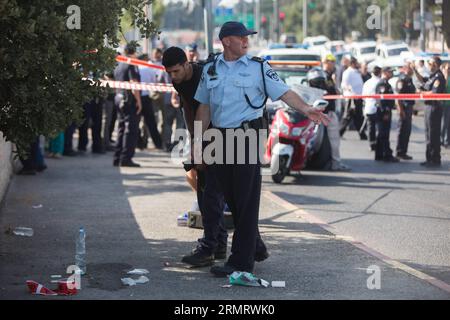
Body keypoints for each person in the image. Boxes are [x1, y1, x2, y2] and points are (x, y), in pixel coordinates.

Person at [194, 21, 329, 277]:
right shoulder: (210, 68)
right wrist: (199, 143)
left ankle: (241, 262)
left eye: (247, 37)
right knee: (231, 199)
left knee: (246, 200)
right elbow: (203, 107)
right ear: (226, 41)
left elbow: (284, 93)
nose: (246, 41)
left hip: (246, 138)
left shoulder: (259, 67)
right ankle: (254, 245)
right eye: (241, 37)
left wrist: (306, 109)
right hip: (220, 139)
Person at [162, 46, 229, 267]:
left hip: (223, 132)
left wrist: (200, 147)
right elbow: (189, 110)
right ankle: (217, 243)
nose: (173, 77)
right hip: (203, 133)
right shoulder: (178, 81)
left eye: (175, 71)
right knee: (205, 190)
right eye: (169, 73)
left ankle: (210, 246)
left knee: (211, 193)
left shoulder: (203, 75)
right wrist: (193, 140)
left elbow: (204, 110)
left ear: (186, 64)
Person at [310, 54, 350, 171]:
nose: (332, 63)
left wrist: (334, 80)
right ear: (325, 62)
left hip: (328, 112)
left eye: (333, 61)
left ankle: (335, 163)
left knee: (334, 139)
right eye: (330, 61)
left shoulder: (329, 77)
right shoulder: (319, 76)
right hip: (321, 112)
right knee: (317, 139)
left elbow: (336, 92)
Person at [412, 56, 446, 167]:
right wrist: (415, 71)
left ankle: (435, 158)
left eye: (430, 63)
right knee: (428, 133)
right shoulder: (433, 76)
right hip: (428, 106)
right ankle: (429, 157)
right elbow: (423, 81)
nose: (428, 65)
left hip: (434, 107)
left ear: (435, 64)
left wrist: (420, 93)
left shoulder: (439, 77)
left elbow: (434, 93)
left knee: (433, 134)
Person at [113, 43, 142, 167]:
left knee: (121, 128)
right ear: (134, 52)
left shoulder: (119, 63)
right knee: (130, 130)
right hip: (128, 99)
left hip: (119, 97)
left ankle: (117, 157)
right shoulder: (131, 63)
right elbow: (134, 83)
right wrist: (139, 102)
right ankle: (126, 158)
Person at [137, 54, 163, 150]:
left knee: (136, 122)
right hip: (146, 98)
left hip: (136, 98)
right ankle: (158, 144)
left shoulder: (136, 68)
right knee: (151, 123)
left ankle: (139, 144)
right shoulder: (150, 68)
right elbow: (155, 82)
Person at [374, 67, 399, 163]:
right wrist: (386, 112)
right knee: (384, 134)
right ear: (384, 72)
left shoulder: (386, 83)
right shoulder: (382, 84)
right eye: (390, 72)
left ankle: (379, 154)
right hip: (383, 112)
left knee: (381, 134)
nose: (392, 73)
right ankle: (386, 154)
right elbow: (382, 100)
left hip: (383, 112)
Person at [340, 56, 367, 140]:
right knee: (348, 116)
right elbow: (344, 84)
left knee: (358, 117)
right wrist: (350, 91)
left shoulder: (356, 72)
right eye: (356, 63)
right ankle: (339, 132)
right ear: (352, 64)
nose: (357, 64)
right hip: (352, 98)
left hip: (358, 98)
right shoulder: (348, 72)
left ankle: (362, 134)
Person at [395, 62, 416, 160]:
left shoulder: (409, 79)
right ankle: (399, 151)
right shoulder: (402, 79)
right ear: (406, 69)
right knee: (402, 129)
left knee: (407, 130)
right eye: (410, 68)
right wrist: (400, 109)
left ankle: (404, 151)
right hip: (404, 107)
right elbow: (398, 96)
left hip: (409, 107)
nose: (412, 70)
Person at [362, 65, 382, 151]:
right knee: (379, 127)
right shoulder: (380, 82)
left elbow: (363, 96)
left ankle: (371, 144)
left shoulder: (367, 82)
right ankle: (378, 145)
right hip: (377, 108)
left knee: (371, 127)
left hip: (368, 107)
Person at [440, 62, 450, 148]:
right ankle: (442, 140)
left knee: (448, 123)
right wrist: (446, 75)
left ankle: (447, 140)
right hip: (444, 104)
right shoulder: (442, 78)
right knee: (444, 123)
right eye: (448, 68)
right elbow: (444, 87)